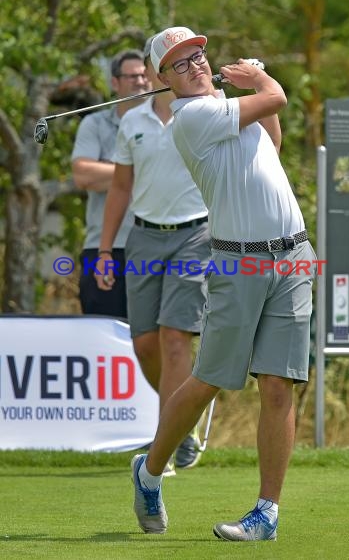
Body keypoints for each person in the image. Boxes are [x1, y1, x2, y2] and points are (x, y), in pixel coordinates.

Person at [130, 27, 317, 540]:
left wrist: (254, 91)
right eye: (179, 63)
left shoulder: (230, 107)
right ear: (162, 80)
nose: (193, 65)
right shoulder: (192, 118)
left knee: (280, 384)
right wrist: (260, 79)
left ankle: (266, 514)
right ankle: (149, 472)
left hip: (294, 256)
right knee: (209, 381)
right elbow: (276, 95)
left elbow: (272, 142)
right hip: (240, 265)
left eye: (197, 55)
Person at [94, 36, 210, 473]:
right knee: (144, 343)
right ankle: (183, 421)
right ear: (158, 75)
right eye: (170, 63)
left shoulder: (203, 112)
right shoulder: (132, 122)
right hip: (142, 237)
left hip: (195, 235)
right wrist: (105, 250)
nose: (183, 67)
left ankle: (171, 439)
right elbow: (121, 187)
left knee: (175, 335)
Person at [72, 49, 151, 318]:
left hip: (157, 247)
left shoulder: (171, 122)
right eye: (132, 77)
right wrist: (144, 165)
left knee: (157, 344)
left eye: (144, 76)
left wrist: (110, 173)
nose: (141, 82)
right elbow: (83, 175)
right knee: (104, 337)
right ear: (115, 83)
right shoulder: (94, 124)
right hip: (105, 249)